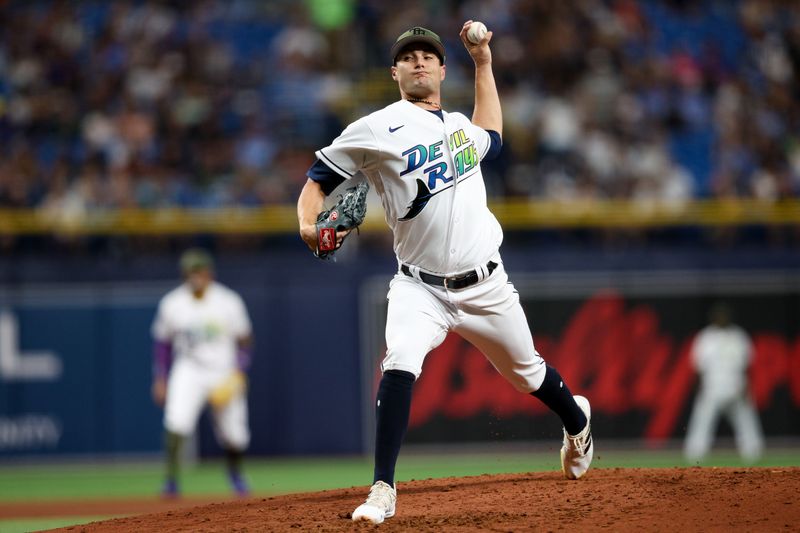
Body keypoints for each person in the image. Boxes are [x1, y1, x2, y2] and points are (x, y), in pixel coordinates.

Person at [297, 22, 593, 524]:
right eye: (408, 56)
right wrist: (307, 225)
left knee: (528, 374)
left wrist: (483, 63)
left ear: (441, 68)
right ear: (394, 72)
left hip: (487, 285)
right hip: (419, 287)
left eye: (428, 55)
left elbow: (494, 136)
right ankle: (383, 489)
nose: (418, 61)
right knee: (401, 359)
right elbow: (317, 180)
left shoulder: (459, 128)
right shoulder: (375, 127)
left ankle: (578, 421)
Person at [151, 248, 254, 497]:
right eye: (190, 271)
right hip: (189, 369)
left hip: (223, 370)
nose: (195, 275)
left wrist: (239, 372)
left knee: (235, 434)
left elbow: (245, 340)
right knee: (176, 422)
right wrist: (160, 377)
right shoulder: (172, 303)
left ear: (209, 272)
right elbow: (162, 343)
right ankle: (171, 480)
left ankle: (236, 474)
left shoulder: (228, 301)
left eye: (199, 270)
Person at [684, 303, 764, 463]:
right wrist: (698, 386)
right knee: (702, 422)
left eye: (724, 315)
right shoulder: (705, 337)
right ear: (713, 318)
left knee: (746, 421)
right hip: (712, 386)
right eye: (718, 316)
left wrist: (747, 385)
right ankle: (695, 454)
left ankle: (753, 452)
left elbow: (747, 364)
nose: (722, 318)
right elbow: (698, 366)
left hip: (736, 385)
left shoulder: (738, 335)